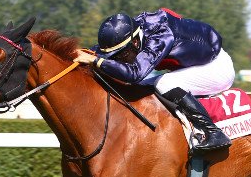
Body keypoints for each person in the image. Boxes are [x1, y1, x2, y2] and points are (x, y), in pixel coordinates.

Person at [75, 8, 234, 153]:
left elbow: (135, 73)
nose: (119, 60)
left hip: (216, 67)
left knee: (163, 84)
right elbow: (100, 52)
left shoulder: (161, 36)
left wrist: (96, 61)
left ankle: (213, 132)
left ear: (135, 42)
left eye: (122, 55)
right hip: (195, 65)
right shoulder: (133, 33)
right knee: (139, 87)